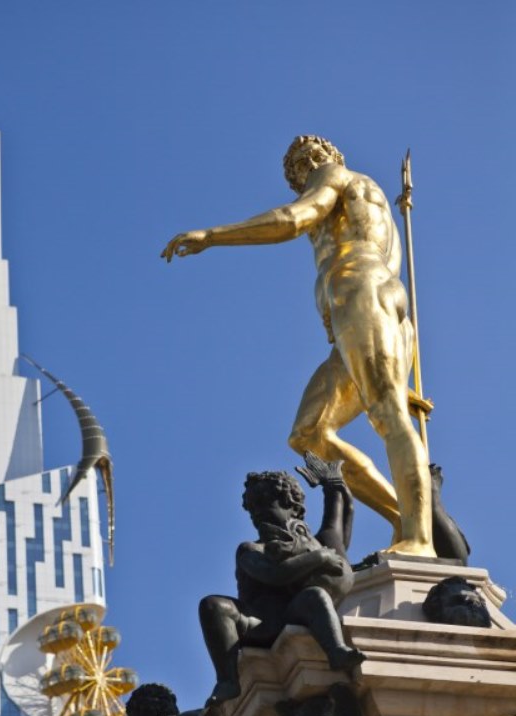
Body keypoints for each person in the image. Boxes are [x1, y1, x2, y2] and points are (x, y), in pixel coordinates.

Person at [162, 135, 434, 557]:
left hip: (361, 291)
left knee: (387, 413)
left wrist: (212, 236)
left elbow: (293, 219)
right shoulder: (360, 197)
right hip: (359, 304)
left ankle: (420, 538)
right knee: (308, 434)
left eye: (312, 158)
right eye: (297, 166)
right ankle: (403, 516)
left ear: (331, 158)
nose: (307, 166)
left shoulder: (337, 177)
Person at [199, 465, 363, 707]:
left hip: (296, 611)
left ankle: (336, 649)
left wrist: (333, 484)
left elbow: (339, 515)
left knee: (315, 595)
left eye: (266, 502)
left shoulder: (320, 542)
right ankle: (227, 680)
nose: (257, 512)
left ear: (292, 506)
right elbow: (276, 575)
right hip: (259, 622)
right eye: (253, 507)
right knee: (213, 605)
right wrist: (318, 559)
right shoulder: (251, 549)